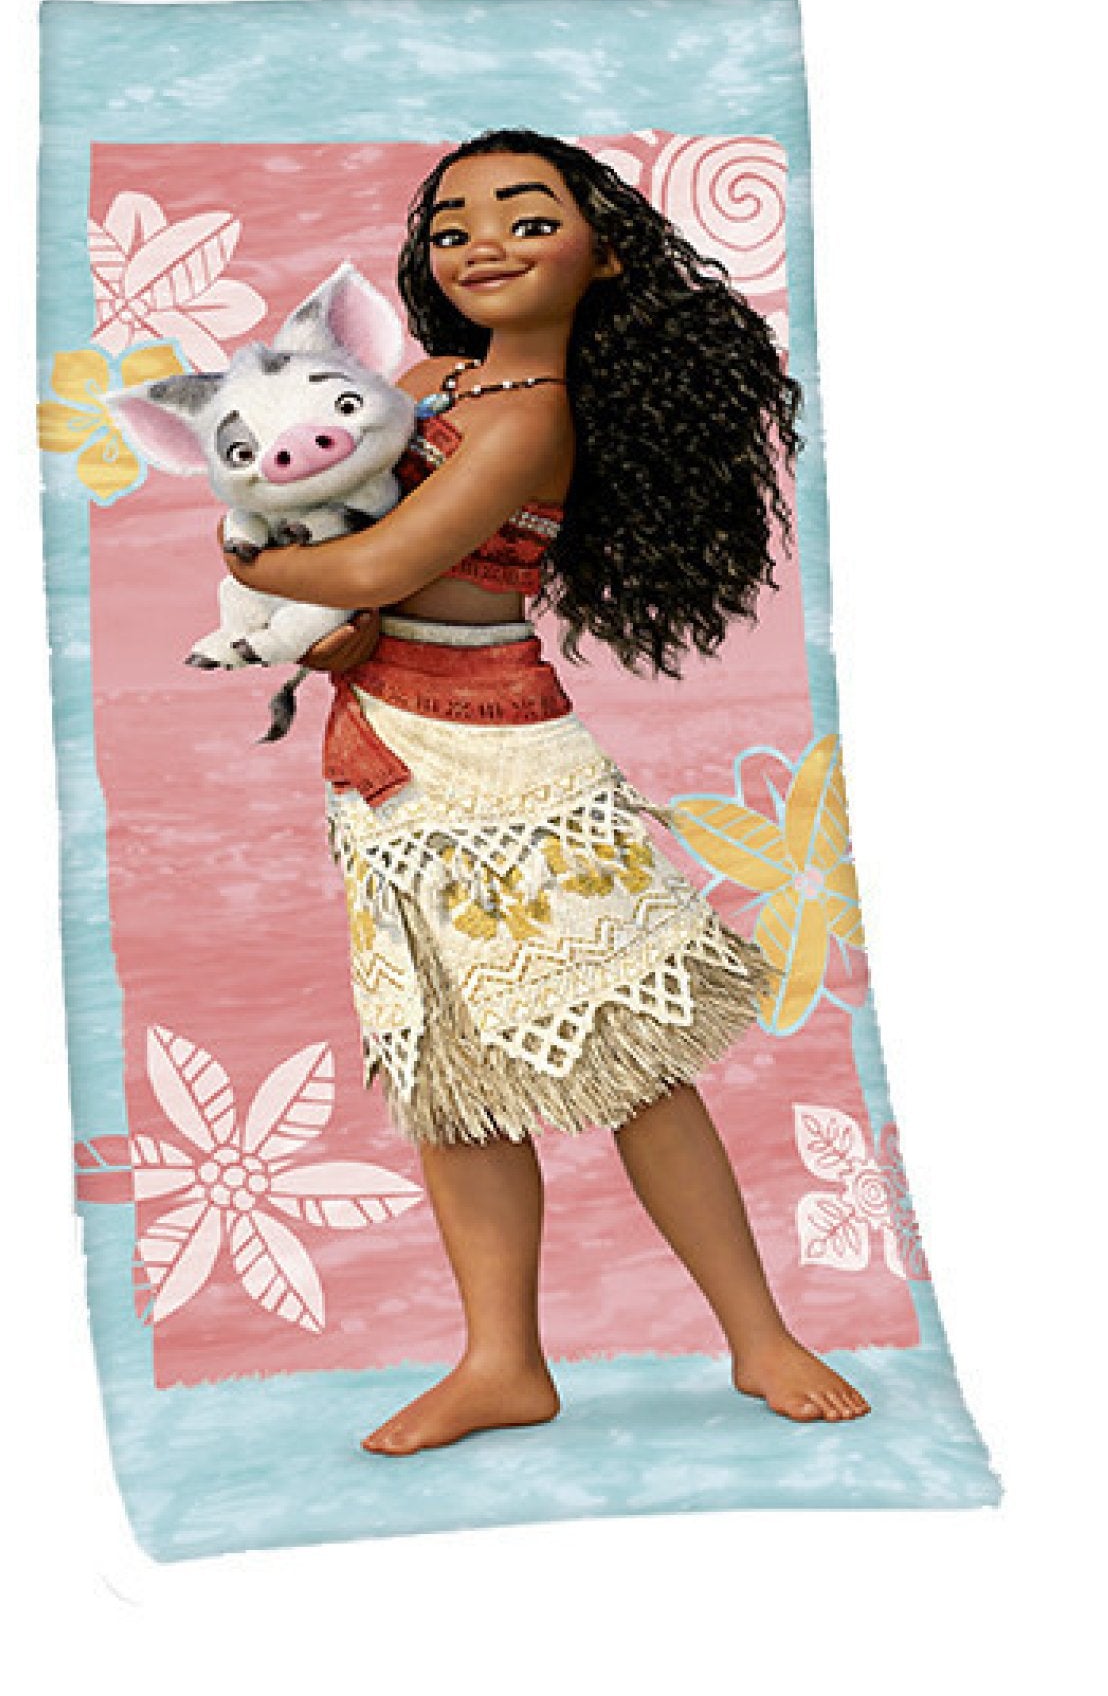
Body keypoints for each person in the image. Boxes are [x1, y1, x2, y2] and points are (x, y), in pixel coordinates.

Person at [225, 128, 869, 1454]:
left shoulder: (532, 416)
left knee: (625, 1056)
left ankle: (759, 1334)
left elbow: (372, 561)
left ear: (603, 254)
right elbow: (346, 532)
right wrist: (318, 604)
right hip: (386, 756)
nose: (485, 243)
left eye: (527, 217)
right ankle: (501, 1360)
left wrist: (256, 566)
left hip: (506, 758)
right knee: (447, 1071)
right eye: (453, 225)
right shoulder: (425, 381)